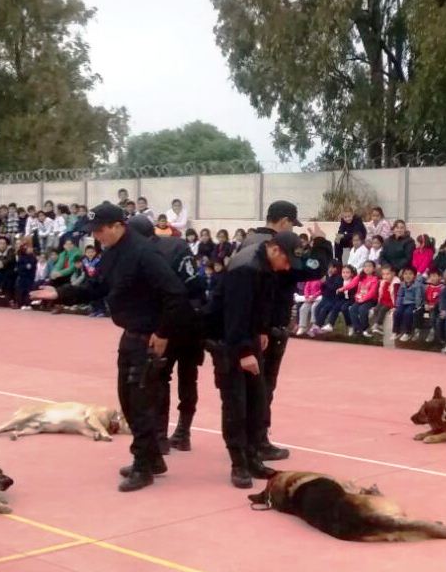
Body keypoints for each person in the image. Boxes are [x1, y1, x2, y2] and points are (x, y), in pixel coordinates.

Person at [31, 202, 193, 492]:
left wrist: (163, 332)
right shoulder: (112, 254)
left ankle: (143, 466)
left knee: (141, 402)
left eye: (101, 230)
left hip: (149, 336)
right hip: (130, 334)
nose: (97, 236)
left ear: (118, 226)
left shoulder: (145, 254)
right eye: (93, 231)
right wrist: (60, 293)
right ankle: (153, 458)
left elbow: (176, 294)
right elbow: (96, 288)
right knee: (128, 400)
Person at [205, 231, 304, 488]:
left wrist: (261, 330)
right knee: (236, 404)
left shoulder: (266, 266)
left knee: (256, 400)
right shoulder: (246, 269)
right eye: (287, 261)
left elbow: (261, 304)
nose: (287, 268)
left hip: (247, 336)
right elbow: (235, 314)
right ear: (276, 250)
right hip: (227, 341)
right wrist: (244, 352)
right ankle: (239, 464)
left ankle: (252, 458)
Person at [236, 200, 333, 461]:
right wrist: (322, 244)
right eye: (291, 225)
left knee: (248, 387)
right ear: (284, 222)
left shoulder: (248, 241)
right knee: (264, 385)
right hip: (269, 326)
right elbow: (313, 269)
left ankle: (245, 438)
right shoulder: (277, 250)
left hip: (249, 326)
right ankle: (258, 440)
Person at [128, 215, 206, 454]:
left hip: (172, 322)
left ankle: (163, 436)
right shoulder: (176, 246)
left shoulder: (142, 255)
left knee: (160, 377)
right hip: (192, 318)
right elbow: (197, 283)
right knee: (186, 377)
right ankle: (181, 433)